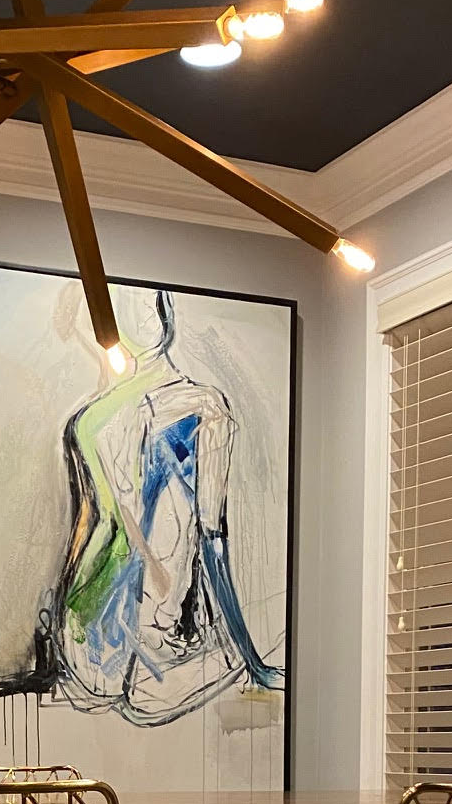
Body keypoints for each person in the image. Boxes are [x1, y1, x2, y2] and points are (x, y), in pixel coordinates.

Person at [50, 285, 282, 726]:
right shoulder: (200, 405)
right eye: (128, 308)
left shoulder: (94, 419)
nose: (142, 316)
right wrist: (248, 656)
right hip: (142, 634)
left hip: (89, 633)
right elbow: (210, 535)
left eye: (147, 305)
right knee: (156, 694)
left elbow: (91, 527)